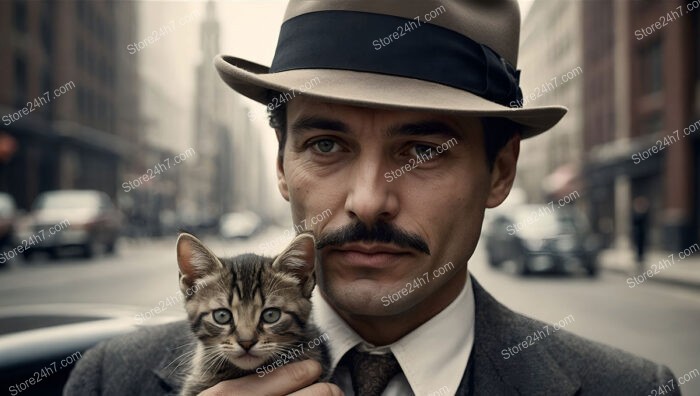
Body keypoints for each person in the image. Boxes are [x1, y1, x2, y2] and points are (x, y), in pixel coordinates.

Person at [65, 1, 680, 395]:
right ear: (282, 166)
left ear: (500, 172)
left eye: (425, 150)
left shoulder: (629, 388)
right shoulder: (106, 381)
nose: (367, 201)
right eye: (327, 145)